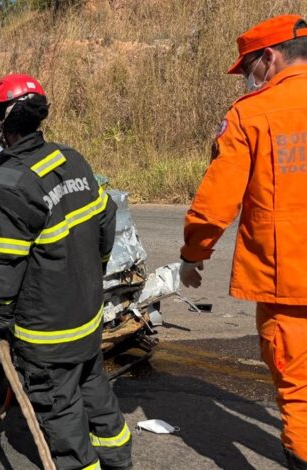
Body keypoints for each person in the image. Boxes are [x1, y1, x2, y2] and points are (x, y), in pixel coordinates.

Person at [0, 74, 131, 470]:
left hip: (47, 331)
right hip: (88, 312)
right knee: (92, 384)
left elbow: (7, 268)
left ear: (1, 125)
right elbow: (106, 219)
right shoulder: (71, 159)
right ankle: (118, 457)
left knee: (59, 406)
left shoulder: (4, 185)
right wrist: (94, 269)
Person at [179, 15, 307, 470]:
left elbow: (216, 204)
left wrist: (193, 255)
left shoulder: (251, 114)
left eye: (249, 67)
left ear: (269, 57)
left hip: (289, 284)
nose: (249, 78)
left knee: (299, 392)